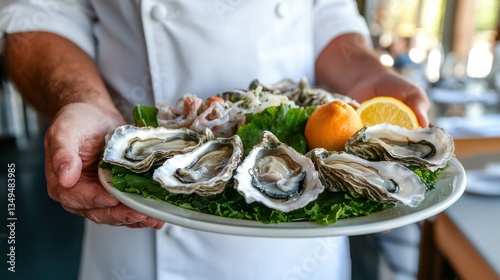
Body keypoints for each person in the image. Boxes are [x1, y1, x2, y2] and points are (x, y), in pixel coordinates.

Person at [0, 1, 430, 279]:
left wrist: (369, 76)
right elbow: (39, 14)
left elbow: (327, 14)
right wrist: (82, 102)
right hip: (138, 219)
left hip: (299, 241)